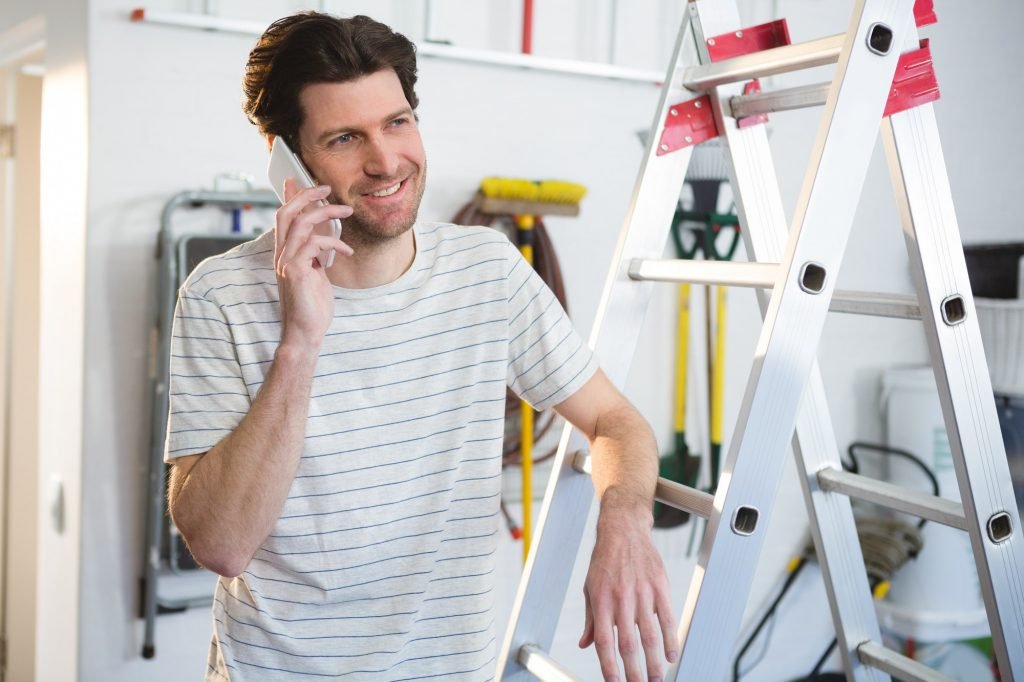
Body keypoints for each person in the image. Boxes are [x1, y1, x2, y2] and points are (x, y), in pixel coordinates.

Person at [165, 12, 675, 682]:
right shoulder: (220, 295)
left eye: (397, 122)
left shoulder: (487, 271)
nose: (384, 161)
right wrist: (301, 340)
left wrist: (626, 523)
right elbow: (222, 544)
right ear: (286, 157)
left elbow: (617, 423)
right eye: (345, 137)